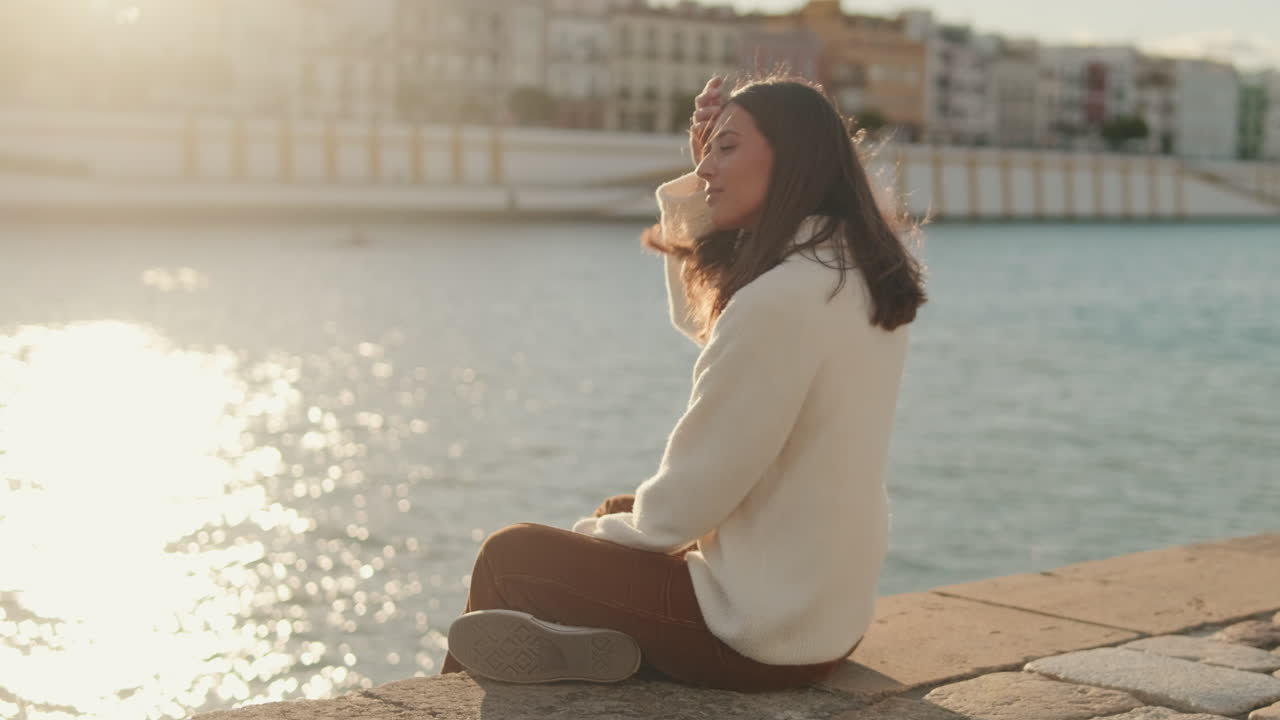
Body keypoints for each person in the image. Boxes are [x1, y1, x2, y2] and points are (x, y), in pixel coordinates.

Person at [439, 73, 927, 692]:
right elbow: (714, 327)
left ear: (794, 158)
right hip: (827, 614)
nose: (705, 172)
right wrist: (615, 535)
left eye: (727, 149)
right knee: (617, 512)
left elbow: (691, 498)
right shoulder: (850, 274)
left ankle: (438, 704)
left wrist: (585, 545)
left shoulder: (780, 301)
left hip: (761, 636)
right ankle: (609, 648)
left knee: (512, 558)